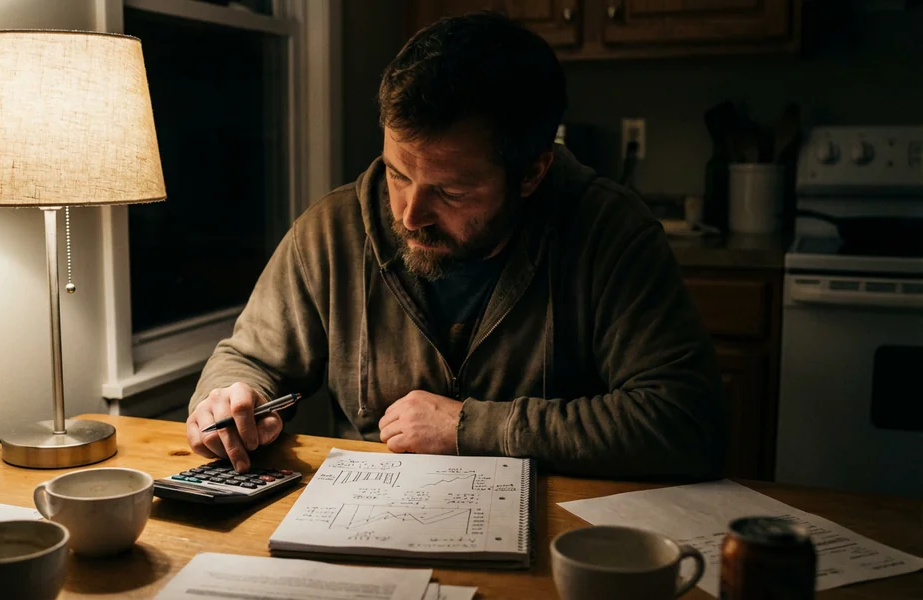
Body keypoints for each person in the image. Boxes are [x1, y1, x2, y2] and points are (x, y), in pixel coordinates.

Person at [186, 12, 725, 478]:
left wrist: (471, 427)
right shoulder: (330, 231)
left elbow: (684, 419)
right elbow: (248, 358)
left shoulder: (610, 232)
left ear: (532, 172)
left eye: (451, 191)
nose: (409, 214)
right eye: (398, 174)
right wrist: (232, 397)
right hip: (370, 524)